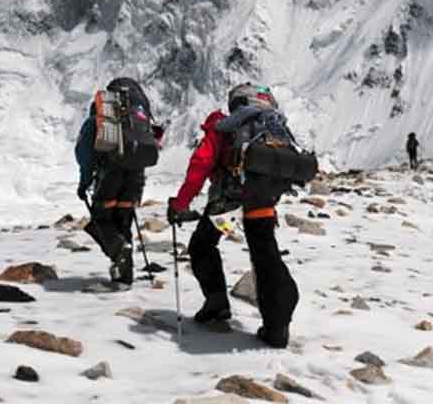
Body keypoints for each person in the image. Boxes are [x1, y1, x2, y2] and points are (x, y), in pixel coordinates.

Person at [168, 83, 300, 349]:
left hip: (228, 203)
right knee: (265, 254)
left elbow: (201, 164)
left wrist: (180, 203)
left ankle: (216, 303)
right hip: (263, 201)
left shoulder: (224, 125)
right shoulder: (274, 125)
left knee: (203, 245)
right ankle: (277, 325)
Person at [75, 77, 157, 290]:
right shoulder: (139, 120)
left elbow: (84, 155)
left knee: (101, 219)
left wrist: (84, 183)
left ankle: (119, 250)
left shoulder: (98, 122)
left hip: (110, 176)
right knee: (123, 221)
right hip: (136, 178)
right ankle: (123, 277)